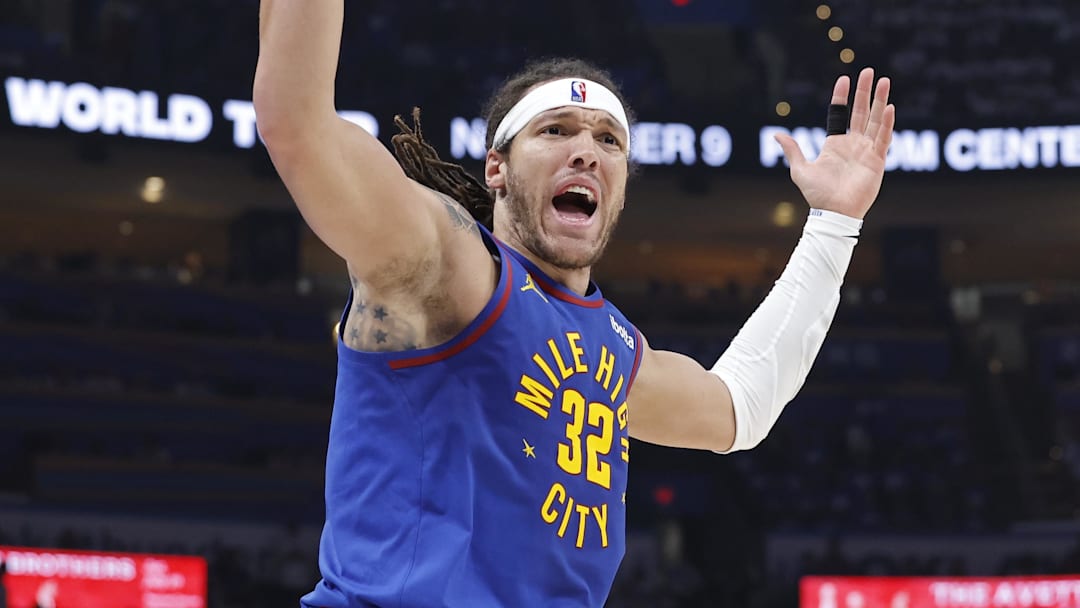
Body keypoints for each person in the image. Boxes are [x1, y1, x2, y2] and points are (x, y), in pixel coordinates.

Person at [253, 2, 895, 606]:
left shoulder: (616, 351)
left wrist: (834, 224)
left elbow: (743, 405)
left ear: (619, 189)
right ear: (497, 169)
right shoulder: (444, 265)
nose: (586, 149)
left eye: (609, 140)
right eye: (556, 130)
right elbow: (298, 127)